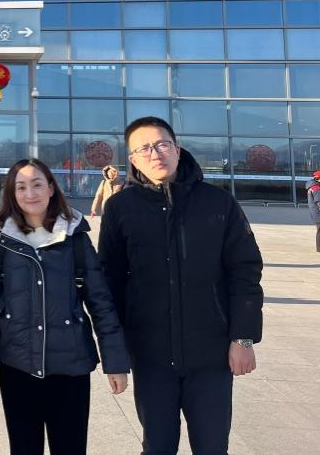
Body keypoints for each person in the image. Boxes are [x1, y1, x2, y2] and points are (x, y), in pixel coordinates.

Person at [98, 116, 264, 455]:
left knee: (212, 446)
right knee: (157, 446)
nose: (155, 153)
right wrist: (115, 354)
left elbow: (245, 271)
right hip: (151, 355)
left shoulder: (218, 203)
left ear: (177, 148)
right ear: (133, 160)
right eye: (144, 149)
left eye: (162, 144)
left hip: (211, 354)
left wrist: (243, 338)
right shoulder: (120, 208)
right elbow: (109, 284)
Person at [0, 158, 129, 455]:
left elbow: (101, 302)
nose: (30, 193)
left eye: (37, 184)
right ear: (12, 194)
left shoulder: (75, 237)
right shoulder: (3, 239)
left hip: (69, 367)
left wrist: (116, 363)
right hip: (17, 364)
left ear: (50, 188)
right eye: (21, 187)